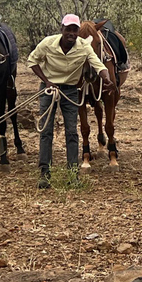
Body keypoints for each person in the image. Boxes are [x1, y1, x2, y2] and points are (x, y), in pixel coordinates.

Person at [27, 14, 112, 189]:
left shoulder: (84, 47)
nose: (71, 33)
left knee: (72, 132)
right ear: (62, 30)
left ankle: (73, 174)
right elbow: (32, 61)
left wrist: (107, 77)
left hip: (70, 91)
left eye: (75, 30)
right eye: (68, 29)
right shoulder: (48, 43)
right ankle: (45, 173)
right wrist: (46, 80)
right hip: (49, 89)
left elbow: (97, 64)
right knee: (46, 130)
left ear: (78, 32)